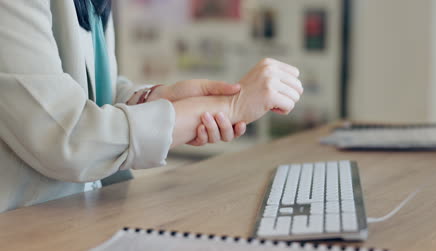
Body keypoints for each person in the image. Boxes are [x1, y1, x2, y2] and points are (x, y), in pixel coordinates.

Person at [0, 1, 303, 213]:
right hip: (23, 233)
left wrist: (157, 98)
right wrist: (232, 106)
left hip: (74, 218)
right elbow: (65, 136)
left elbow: (89, 90)